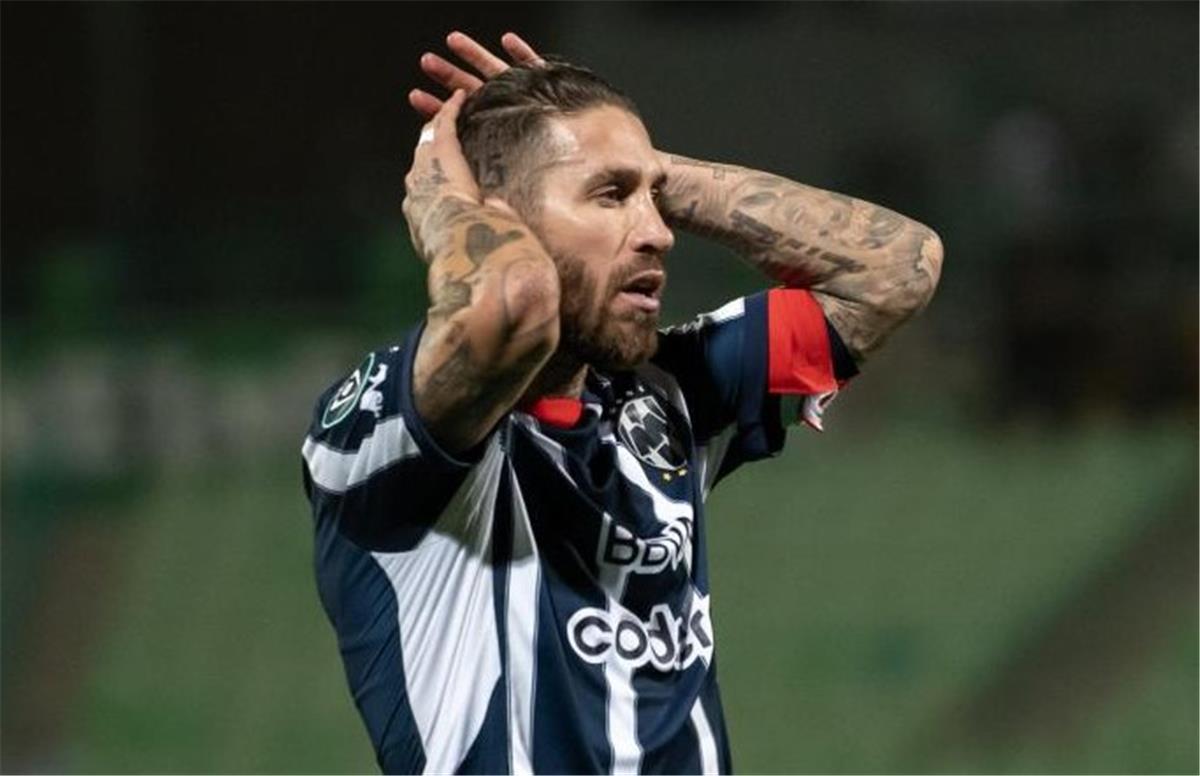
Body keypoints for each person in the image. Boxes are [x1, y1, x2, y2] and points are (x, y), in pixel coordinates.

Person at [301, 31, 942, 775]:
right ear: (501, 220)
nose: (659, 232)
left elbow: (897, 269)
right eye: (611, 196)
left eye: (653, 199)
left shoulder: (668, 396)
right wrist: (442, 196)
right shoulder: (388, 433)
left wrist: (645, 166)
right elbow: (515, 304)